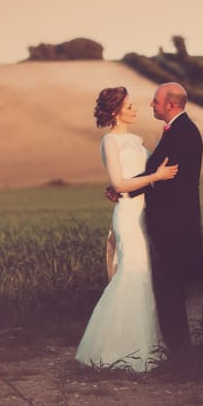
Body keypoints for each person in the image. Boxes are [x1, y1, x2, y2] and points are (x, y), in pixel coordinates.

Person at [75, 86, 178, 372]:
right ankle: (115, 351)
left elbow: (139, 174)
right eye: (130, 106)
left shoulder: (136, 140)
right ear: (114, 112)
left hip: (144, 214)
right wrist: (155, 176)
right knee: (131, 274)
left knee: (143, 276)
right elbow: (120, 184)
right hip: (129, 216)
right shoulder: (110, 142)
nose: (136, 109)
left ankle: (143, 348)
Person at [108, 82, 203, 356]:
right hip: (171, 223)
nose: (151, 104)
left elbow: (164, 176)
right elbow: (155, 172)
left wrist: (124, 186)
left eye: (155, 101)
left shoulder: (182, 133)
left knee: (169, 290)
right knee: (168, 290)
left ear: (170, 105)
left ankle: (180, 354)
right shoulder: (178, 130)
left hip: (173, 225)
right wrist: (121, 186)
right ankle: (179, 350)